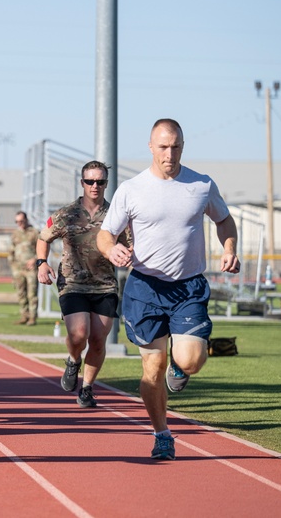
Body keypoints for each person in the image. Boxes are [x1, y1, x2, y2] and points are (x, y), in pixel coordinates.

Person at [97, 118, 240, 461]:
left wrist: (230, 247)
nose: (169, 153)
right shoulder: (131, 189)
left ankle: (181, 365)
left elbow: (224, 220)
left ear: (182, 147)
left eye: (175, 146)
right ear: (151, 147)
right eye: (163, 146)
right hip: (145, 287)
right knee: (152, 369)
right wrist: (111, 249)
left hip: (188, 287)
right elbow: (106, 234)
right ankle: (162, 434)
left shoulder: (201, 185)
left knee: (189, 360)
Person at [37, 160, 128, 409]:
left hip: (105, 285)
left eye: (100, 181)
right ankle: (73, 358)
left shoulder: (117, 215)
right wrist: (41, 263)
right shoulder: (66, 214)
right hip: (73, 282)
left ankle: (87, 388)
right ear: (82, 183)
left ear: (107, 184)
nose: (95, 186)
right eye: (90, 181)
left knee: (99, 340)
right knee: (79, 334)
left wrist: (129, 254)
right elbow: (43, 237)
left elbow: (131, 245)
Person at [9, 211, 40, 325]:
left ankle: (32, 317)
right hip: (18, 268)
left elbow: (42, 248)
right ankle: (24, 316)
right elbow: (11, 251)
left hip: (30, 268)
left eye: (21, 221)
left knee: (31, 293)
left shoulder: (34, 232)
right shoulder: (15, 234)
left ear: (26, 220)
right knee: (21, 293)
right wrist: (12, 266)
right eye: (17, 222)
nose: (19, 224)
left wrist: (35, 259)